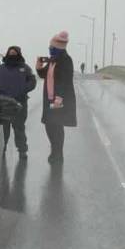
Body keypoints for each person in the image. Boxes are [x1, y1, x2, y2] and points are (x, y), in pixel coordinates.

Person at [38, 31, 77, 164]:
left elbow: (65, 80)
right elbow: (44, 75)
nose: (49, 50)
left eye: (51, 48)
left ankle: (58, 154)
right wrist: (39, 66)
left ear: (57, 48)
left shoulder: (66, 60)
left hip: (59, 99)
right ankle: (54, 150)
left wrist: (59, 97)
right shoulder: (53, 61)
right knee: (49, 126)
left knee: (57, 126)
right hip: (50, 98)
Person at [0, 45, 35, 157]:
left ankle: (22, 150)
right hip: (3, 103)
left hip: (19, 103)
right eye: (10, 53)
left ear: (19, 54)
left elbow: (32, 81)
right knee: (3, 128)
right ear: (7, 54)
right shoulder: (1, 68)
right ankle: (2, 148)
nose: (12, 55)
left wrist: (24, 89)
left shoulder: (24, 68)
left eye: (14, 53)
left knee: (19, 128)